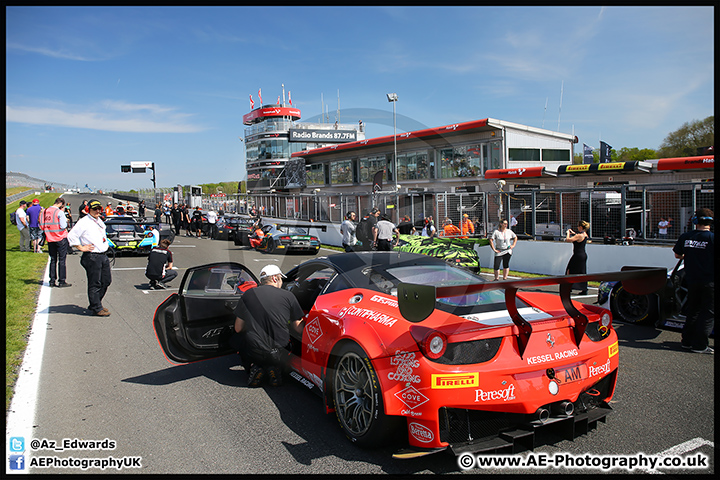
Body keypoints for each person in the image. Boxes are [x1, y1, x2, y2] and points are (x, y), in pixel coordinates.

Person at [231, 265, 304, 387]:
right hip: (280, 350)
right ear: (275, 278)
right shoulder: (288, 296)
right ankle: (275, 367)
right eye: (281, 278)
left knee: (236, 338)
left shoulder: (248, 295)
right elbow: (298, 328)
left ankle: (254, 366)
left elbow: (238, 328)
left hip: (254, 350)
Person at [673, 208, 714, 354]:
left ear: (695, 221)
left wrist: (691, 255)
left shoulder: (685, 236)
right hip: (709, 281)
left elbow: (678, 255)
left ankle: (687, 342)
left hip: (691, 280)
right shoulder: (712, 238)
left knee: (693, 311)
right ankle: (700, 345)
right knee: (708, 314)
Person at [67, 199, 112, 316]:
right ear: (88, 210)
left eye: (99, 209)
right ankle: (96, 307)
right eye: (94, 209)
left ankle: (95, 303)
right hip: (92, 256)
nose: (97, 211)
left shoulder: (99, 221)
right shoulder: (84, 222)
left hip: (102, 254)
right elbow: (71, 235)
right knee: (95, 283)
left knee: (106, 281)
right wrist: (80, 247)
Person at [40, 197, 72, 287]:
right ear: (61, 204)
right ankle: (62, 281)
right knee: (62, 260)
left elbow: (42, 225)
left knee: (53, 259)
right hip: (60, 237)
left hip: (50, 238)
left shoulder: (45, 211)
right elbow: (63, 226)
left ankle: (52, 280)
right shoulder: (59, 212)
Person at [564, 220, 590, 295]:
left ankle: (569, 287)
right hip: (583, 255)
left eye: (578, 226)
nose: (577, 228)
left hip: (577, 255)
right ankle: (584, 288)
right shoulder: (584, 235)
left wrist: (568, 233)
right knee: (582, 272)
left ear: (581, 227)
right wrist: (574, 233)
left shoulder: (579, 236)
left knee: (570, 270)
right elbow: (578, 238)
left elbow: (568, 240)